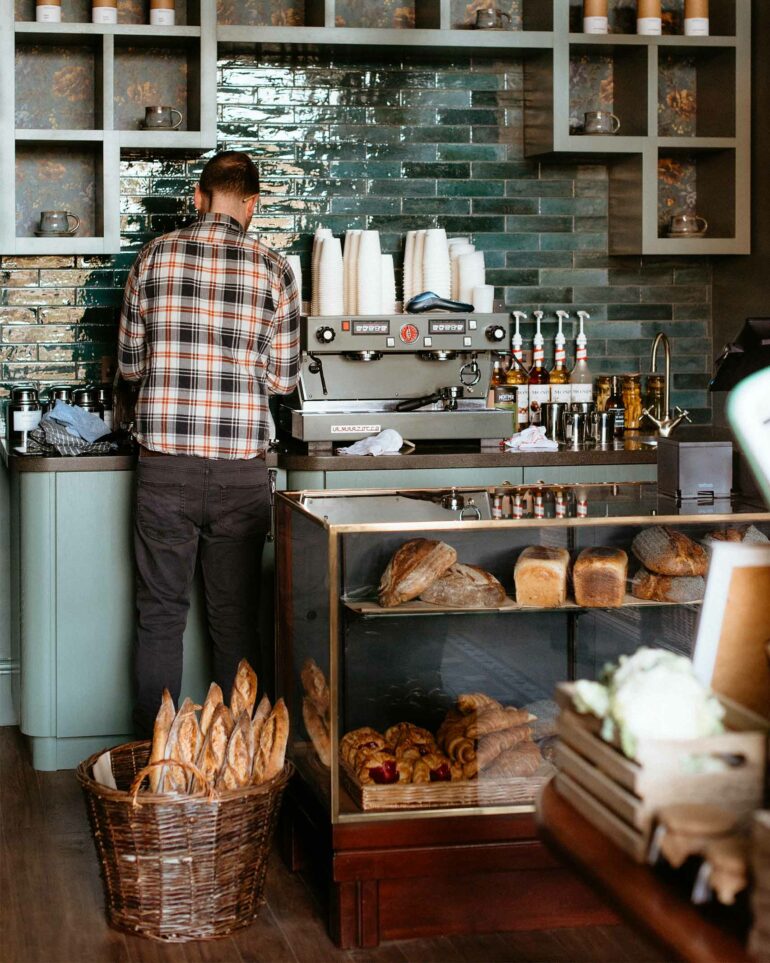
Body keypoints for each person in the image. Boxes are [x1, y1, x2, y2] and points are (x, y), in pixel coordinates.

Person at [118, 150, 300, 737]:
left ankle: (156, 763)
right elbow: (283, 380)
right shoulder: (275, 271)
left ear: (198, 197)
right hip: (239, 474)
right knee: (236, 623)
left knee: (159, 619)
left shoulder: (153, 256)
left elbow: (128, 364)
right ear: (252, 204)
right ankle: (237, 769)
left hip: (164, 467)